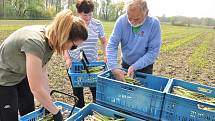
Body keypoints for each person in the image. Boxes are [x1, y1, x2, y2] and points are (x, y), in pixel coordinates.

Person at [0, 9, 88, 121]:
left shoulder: (50, 41)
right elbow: (36, 88)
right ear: (65, 36)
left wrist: (49, 104)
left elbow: (42, 73)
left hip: (20, 73)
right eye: (74, 46)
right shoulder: (36, 43)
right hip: (4, 78)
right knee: (9, 117)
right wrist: (56, 112)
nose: (72, 49)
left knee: (29, 110)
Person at [64, 0, 107, 108]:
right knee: (78, 94)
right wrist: (67, 59)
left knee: (96, 91)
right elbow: (64, 44)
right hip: (75, 65)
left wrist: (106, 55)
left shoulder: (97, 24)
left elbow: (103, 41)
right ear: (78, 12)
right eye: (85, 14)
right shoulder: (71, 24)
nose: (88, 17)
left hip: (92, 64)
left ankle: (96, 113)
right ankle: (80, 113)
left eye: (90, 14)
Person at [107, 0, 162, 81]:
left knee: (141, 91)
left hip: (145, 66)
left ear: (146, 13)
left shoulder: (154, 23)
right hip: (126, 63)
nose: (132, 22)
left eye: (136, 19)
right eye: (129, 18)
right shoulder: (121, 21)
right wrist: (114, 67)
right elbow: (112, 45)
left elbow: (153, 52)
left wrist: (135, 66)